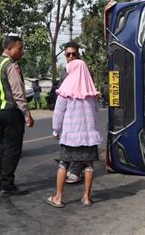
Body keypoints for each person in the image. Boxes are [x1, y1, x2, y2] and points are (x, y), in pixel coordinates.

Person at [47, 59, 102, 208]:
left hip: (70, 135)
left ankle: (58, 197)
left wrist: (55, 130)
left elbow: (58, 113)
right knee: (89, 165)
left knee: (63, 164)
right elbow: (96, 110)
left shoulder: (65, 91)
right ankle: (87, 197)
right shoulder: (91, 91)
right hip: (89, 135)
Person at [0, 35, 34, 196]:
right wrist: (27, 114)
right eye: (19, 48)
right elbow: (18, 92)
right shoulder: (11, 65)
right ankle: (7, 184)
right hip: (11, 111)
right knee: (13, 148)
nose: (21, 52)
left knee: (2, 145)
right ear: (9, 48)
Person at [60, 41, 85, 184]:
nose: (70, 57)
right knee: (68, 141)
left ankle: (76, 171)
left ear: (78, 54)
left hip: (81, 113)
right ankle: (70, 166)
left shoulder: (85, 70)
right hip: (67, 113)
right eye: (68, 54)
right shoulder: (64, 71)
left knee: (80, 142)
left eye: (73, 54)